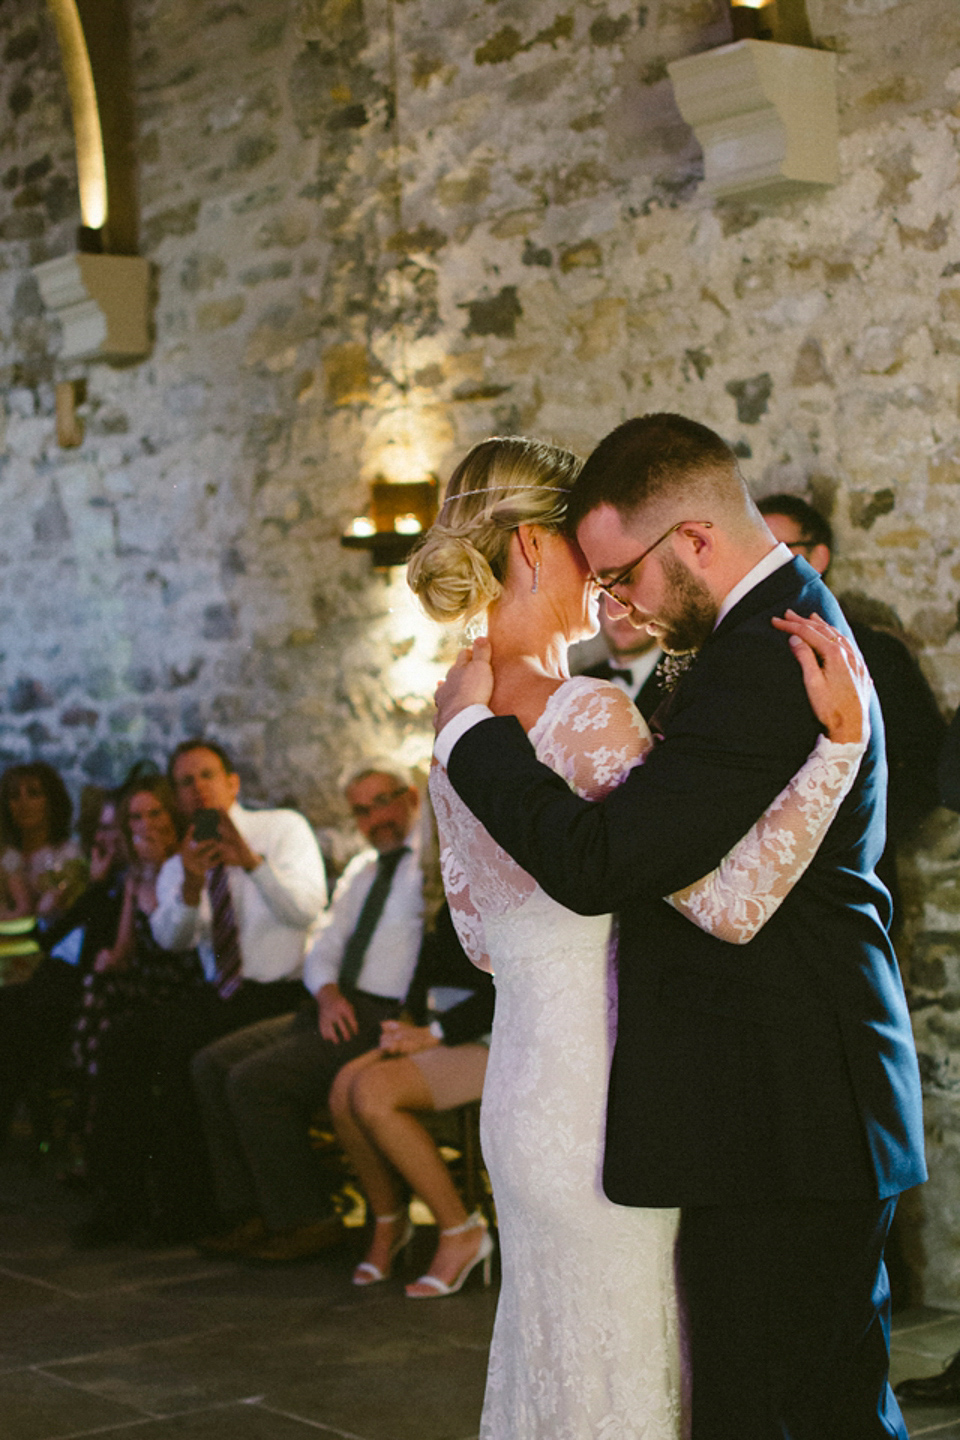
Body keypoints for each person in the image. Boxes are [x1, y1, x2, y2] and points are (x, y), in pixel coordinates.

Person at [411, 430, 886, 1439]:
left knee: (567, 1364)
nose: (616, 596)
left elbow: (478, 931)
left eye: (622, 566)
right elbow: (706, 898)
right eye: (599, 566)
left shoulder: (454, 713)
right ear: (539, 547)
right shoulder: (589, 713)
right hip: (621, 1096)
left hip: (530, 1088)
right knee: (659, 1374)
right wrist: (837, 755)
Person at [83, 738, 328, 1244]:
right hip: (223, 991)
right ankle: (122, 1202)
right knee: (122, 1040)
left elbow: (307, 909)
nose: (196, 790)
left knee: (178, 1054)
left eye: (205, 776)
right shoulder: (183, 858)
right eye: (184, 782)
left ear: (231, 783)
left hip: (280, 990)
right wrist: (192, 883)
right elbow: (173, 938)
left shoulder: (281, 829)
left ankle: (192, 1209)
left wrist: (251, 861)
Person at [191, 760, 428, 1263]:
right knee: (211, 1063)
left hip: (389, 1014)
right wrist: (326, 993)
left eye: (382, 802)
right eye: (361, 811)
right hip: (336, 1003)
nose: (374, 820)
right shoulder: (363, 872)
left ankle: (306, 1220)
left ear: (409, 799)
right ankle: (249, 1213)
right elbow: (323, 940)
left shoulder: (429, 863)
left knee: (255, 1080)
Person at [758, 492, 946, 925]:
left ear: (818, 556)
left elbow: (925, 765)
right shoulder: (734, 651)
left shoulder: (875, 652)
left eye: (778, 550)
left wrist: (858, 825)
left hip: (851, 884)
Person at [328, 900, 495, 1294]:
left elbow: (515, 985)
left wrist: (433, 1035)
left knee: (372, 1092)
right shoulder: (457, 882)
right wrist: (406, 1027)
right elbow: (429, 970)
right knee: (343, 1086)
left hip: (498, 1033)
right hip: (444, 1031)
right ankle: (391, 1219)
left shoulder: (514, 880)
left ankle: (460, 1230)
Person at [71, 777, 206, 1245]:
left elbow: (177, 943)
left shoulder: (185, 867)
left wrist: (154, 881)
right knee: (99, 1003)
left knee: (122, 1039)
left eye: (154, 814)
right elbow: (127, 948)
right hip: (145, 986)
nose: (146, 824)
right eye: (136, 817)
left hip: (183, 984)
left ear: (171, 817)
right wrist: (111, 956)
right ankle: (110, 1180)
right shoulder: (135, 876)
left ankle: (120, 1179)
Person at [580, 592, 669, 721]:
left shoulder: (685, 678)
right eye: (613, 600)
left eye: (636, 604)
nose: (623, 615)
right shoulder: (582, 682)